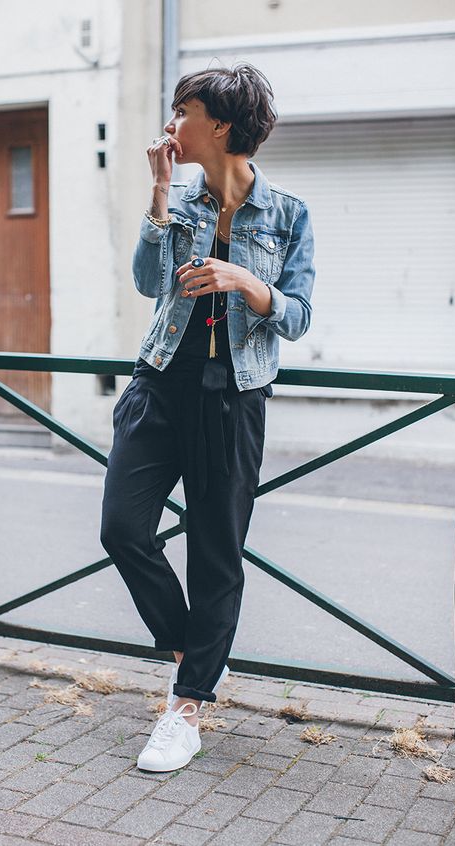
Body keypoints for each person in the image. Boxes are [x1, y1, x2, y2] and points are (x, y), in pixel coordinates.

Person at [100, 63, 315, 773]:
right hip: (159, 385)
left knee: (217, 554)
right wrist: (160, 196)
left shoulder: (287, 215)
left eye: (181, 111)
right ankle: (197, 655)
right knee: (124, 528)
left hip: (234, 398)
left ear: (220, 124)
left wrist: (246, 280)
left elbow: (298, 315)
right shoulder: (184, 203)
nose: (171, 125)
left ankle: (186, 707)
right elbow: (145, 282)